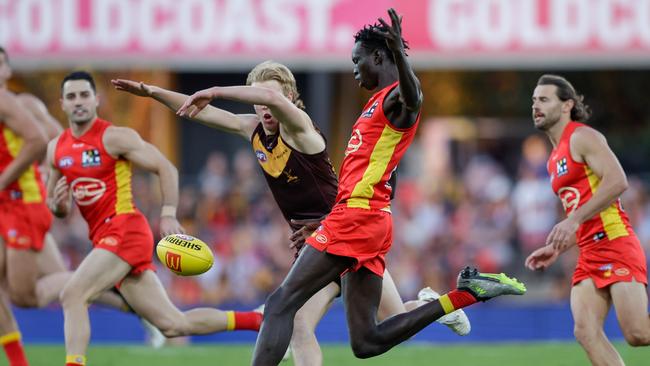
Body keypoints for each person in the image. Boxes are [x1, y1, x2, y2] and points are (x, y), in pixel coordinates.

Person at [188, 9, 525, 365]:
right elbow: (383, 175)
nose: (353, 69)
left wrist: (401, 56)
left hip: (355, 220)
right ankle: (463, 295)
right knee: (367, 342)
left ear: (379, 57)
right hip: (363, 220)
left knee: (280, 305)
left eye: (357, 60)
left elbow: (415, 98)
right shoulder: (375, 105)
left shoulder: (399, 99)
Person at [113, 58, 469, 366]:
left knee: (376, 322)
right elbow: (202, 111)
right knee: (308, 322)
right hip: (318, 244)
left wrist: (220, 90)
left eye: (272, 97)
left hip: (345, 233)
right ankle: (439, 305)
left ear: (290, 98)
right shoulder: (253, 129)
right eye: (257, 99)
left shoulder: (300, 129)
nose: (265, 108)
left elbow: (260, 99)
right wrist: (151, 91)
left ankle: (439, 305)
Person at [48, 71, 262, 366]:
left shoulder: (115, 137)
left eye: (84, 95)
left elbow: (166, 167)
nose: (79, 101)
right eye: (71, 96)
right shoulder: (56, 150)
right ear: (62, 103)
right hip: (104, 239)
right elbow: (54, 205)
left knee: (72, 294)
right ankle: (258, 318)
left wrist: (167, 213)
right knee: (174, 324)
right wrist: (59, 206)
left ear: (96, 100)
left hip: (125, 231)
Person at [0, 48, 141, 366]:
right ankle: (127, 298)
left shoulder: (20, 104)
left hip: (23, 203)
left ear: (8, 70)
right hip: (9, 206)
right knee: (61, 280)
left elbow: (52, 141)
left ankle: (115, 286)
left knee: (25, 296)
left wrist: (49, 178)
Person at [525, 74, 650, 365]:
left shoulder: (582, 137)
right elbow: (579, 210)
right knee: (585, 331)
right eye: (533, 100)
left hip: (615, 241)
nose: (536, 106)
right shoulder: (553, 158)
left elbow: (618, 181)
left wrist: (572, 221)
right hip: (588, 251)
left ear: (567, 104)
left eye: (544, 99)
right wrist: (557, 247)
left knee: (638, 334)